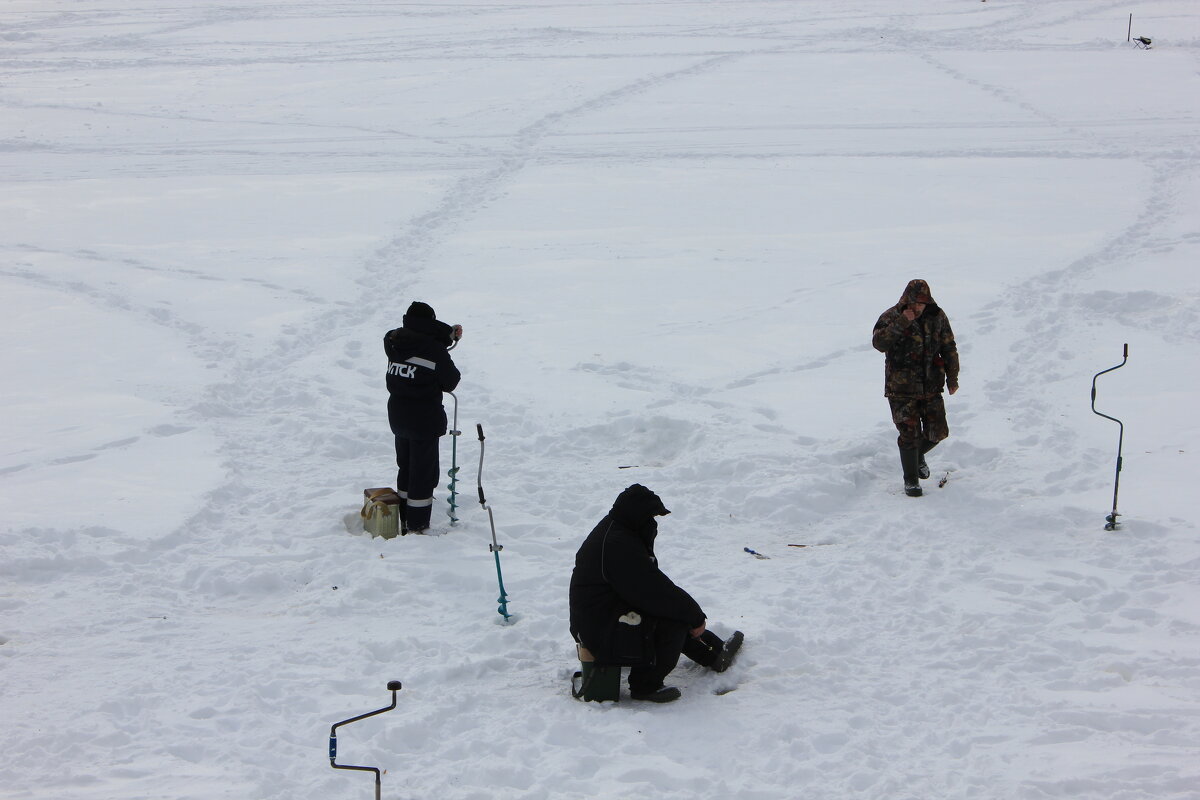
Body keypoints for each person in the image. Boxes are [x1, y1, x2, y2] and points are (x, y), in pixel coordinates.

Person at [569, 484, 743, 703]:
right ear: (637, 515)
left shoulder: (618, 530)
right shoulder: (618, 544)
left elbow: (649, 588)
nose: (653, 522)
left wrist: (689, 613)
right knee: (673, 620)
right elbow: (654, 591)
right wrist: (694, 615)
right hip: (599, 627)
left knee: (671, 610)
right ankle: (645, 685)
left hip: (600, 617)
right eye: (650, 516)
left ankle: (714, 654)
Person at [871, 279, 959, 497]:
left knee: (938, 432)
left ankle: (917, 456)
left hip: (931, 385)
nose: (919, 307)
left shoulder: (937, 316)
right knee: (908, 434)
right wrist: (902, 322)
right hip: (901, 388)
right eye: (915, 303)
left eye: (922, 303)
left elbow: (949, 346)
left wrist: (952, 377)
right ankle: (911, 480)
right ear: (906, 300)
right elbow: (879, 344)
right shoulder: (891, 316)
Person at [383, 301, 462, 533]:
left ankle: (404, 515)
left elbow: (422, 335)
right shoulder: (434, 350)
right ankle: (417, 525)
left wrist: (447, 334)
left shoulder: (391, 340)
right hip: (424, 419)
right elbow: (451, 381)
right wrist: (444, 337)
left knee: (405, 467)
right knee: (422, 474)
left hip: (398, 416)